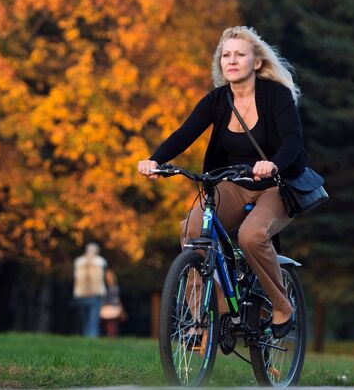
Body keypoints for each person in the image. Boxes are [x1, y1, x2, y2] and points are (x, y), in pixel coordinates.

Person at [137, 26, 307, 339]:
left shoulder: (276, 96)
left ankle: (282, 306)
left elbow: (293, 140)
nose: (231, 60)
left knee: (252, 236)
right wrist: (156, 160)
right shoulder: (217, 100)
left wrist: (273, 164)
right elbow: (184, 134)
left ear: (255, 62)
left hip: (274, 186)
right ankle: (208, 313)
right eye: (226, 55)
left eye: (239, 54)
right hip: (232, 183)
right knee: (191, 231)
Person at [73, 242, 107, 338]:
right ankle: (91, 338)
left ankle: (87, 338)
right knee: (93, 319)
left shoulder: (79, 261)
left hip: (81, 294)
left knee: (86, 319)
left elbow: (76, 278)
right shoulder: (100, 261)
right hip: (95, 294)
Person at [100, 268, 126, 338]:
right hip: (105, 308)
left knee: (113, 324)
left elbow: (117, 299)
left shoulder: (116, 287)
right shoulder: (103, 287)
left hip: (114, 308)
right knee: (107, 325)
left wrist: (121, 309)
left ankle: (112, 337)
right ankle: (109, 337)